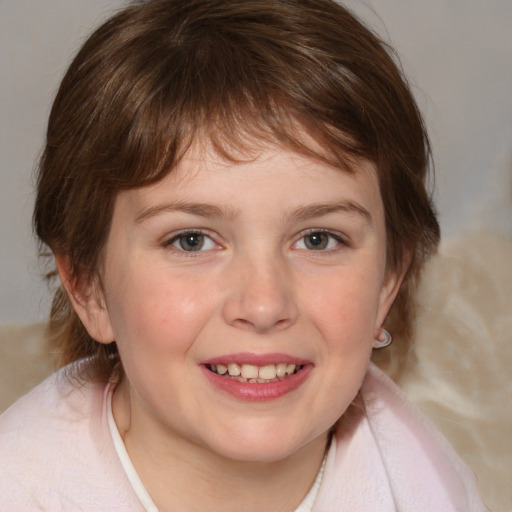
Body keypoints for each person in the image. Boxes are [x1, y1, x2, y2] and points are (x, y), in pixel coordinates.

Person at [0, 0, 488, 510]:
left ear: (388, 280)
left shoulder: (425, 481)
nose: (263, 304)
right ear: (88, 285)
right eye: (191, 240)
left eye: (318, 239)